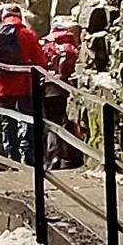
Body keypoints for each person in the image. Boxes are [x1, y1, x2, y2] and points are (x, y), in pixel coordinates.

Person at [0, 4, 47, 164]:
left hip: (2, 87)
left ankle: (11, 155)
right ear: (20, 16)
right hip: (25, 85)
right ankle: (28, 155)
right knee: (27, 119)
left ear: (3, 17)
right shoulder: (27, 34)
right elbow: (41, 62)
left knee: (8, 120)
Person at [42, 21, 82, 169]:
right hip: (65, 88)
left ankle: (53, 158)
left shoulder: (46, 43)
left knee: (51, 124)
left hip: (47, 88)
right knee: (67, 124)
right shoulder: (70, 46)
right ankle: (68, 158)